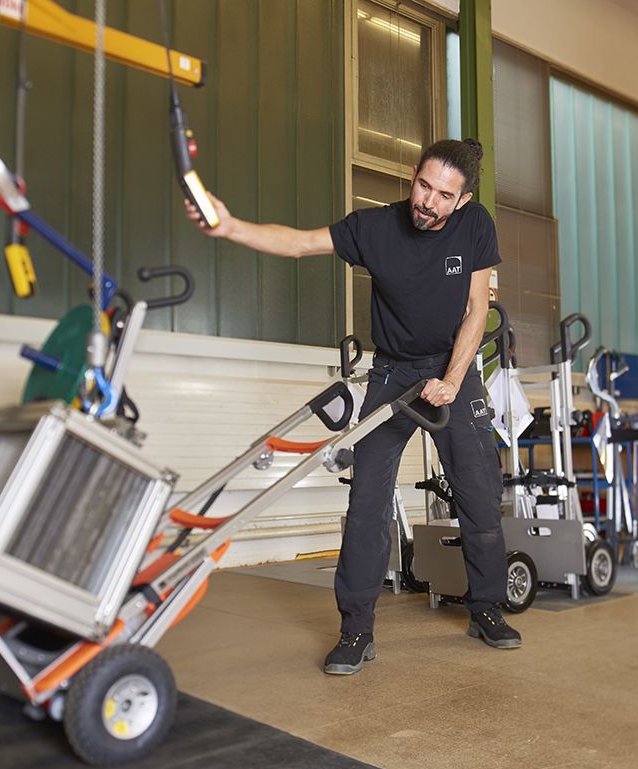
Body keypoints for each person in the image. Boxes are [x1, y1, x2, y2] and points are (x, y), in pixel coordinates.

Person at [184, 138, 518, 676]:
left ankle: (487, 610)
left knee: (479, 493)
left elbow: (478, 309)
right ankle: (356, 628)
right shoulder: (375, 228)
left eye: (443, 195)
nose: (428, 202)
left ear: (464, 199)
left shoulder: (476, 224)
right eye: (423, 186)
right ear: (413, 176)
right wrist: (230, 227)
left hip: (453, 367)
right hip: (392, 372)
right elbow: (298, 243)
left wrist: (454, 379)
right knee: (367, 501)